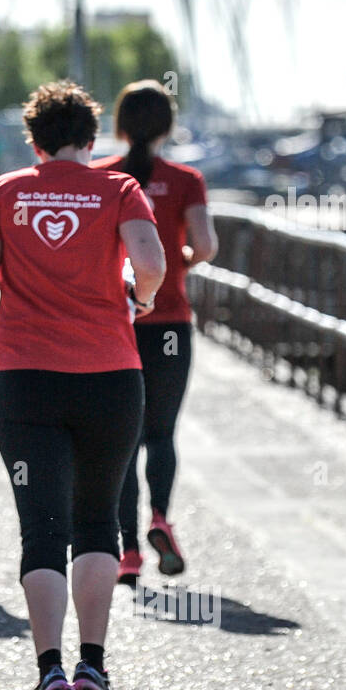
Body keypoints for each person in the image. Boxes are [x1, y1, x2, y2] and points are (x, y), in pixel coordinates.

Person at [0, 80, 164, 690]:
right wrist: (139, 292)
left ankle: (49, 673)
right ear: (91, 138)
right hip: (110, 376)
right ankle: (93, 667)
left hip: (27, 381)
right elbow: (153, 262)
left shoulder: (7, 192)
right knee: (99, 519)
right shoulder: (119, 190)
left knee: (42, 529)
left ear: (34, 139)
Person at [94, 80, 217, 585]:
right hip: (170, 322)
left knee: (121, 439)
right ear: (167, 126)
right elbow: (206, 244)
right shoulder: (186, 179)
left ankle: (128, 552)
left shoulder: (103, 178)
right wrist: (181, 262)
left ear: (120, 126)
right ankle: (161, 518)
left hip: (118, 322)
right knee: (161, 433)